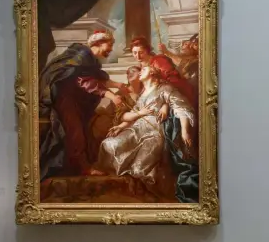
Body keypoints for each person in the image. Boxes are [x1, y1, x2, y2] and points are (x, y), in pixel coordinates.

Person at [96, 65, 196, 201]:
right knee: (109, 144)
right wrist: (120, 126)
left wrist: (184, 131)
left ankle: (144, 192)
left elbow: (181, 107)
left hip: (154, 131)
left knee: (140, 167)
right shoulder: (143, 93)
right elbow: (135, 114)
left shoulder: (165, 89)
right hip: (136, 128)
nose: (140, 71)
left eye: (144, 69)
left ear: (153, 72)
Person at [38, 30, 126, 179]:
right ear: (98, 43)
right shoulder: (81, 56)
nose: (111, 49)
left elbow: (97, 77)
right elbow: (85, 81)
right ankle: (83, 168)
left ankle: (78, 166)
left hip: (74, 99)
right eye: (109, 44)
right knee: (75, 131)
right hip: (64, 98)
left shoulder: (90, 59)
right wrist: (111, 95)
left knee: (83, 129)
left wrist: (119, 85)